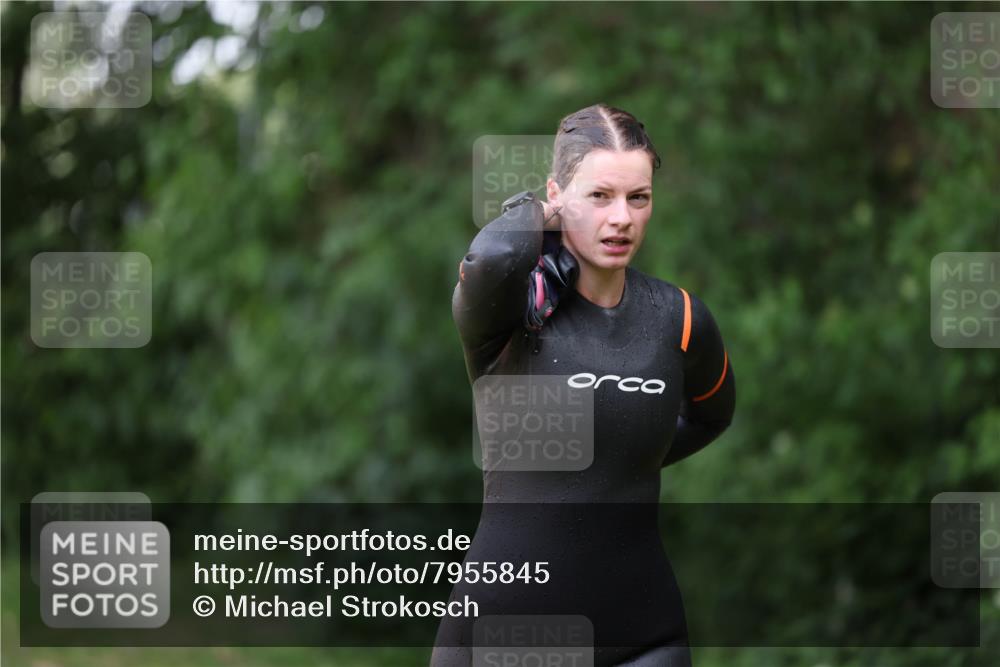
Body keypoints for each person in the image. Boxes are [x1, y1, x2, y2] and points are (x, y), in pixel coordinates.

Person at [432, 104, 735, 666]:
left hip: (647, 640)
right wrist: (540, 212)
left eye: (637, 197)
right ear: (558, 194)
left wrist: (623, 460)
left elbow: (712, 416)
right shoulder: (507, 314)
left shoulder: (679, 317)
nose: (621, 217)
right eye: (599, 196)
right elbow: (491, 256)